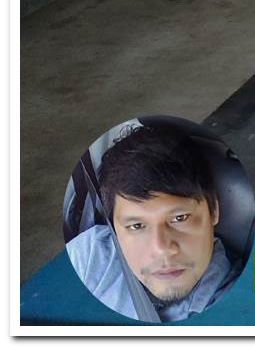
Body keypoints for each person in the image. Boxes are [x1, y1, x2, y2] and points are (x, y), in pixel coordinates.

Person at [66, 124, 234, 322]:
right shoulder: (91, 255)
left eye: (180, 218)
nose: (161, 249)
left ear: (213, 211)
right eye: (136, 226)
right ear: (114, 229)